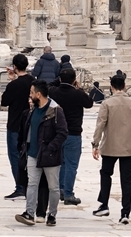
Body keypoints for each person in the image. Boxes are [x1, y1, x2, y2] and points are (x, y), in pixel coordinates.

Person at [91, 71, 131, 224]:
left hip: (110, 146)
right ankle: (125, 212)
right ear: (125, 86)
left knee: (105, 174)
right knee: (127, 180)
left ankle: (104, 204)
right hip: (129, 147)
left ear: (111, 87)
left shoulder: (107, 104)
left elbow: (100, 125)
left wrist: (95, 144)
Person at [15, 80, 68, 227]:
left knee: (53, 187)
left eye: (32, 92)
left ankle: (52, 214)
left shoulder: (55, 110)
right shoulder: (33, 110)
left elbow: (62, 133)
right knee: (32, 184)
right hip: (33, 154)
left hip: (50, 155)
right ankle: (29, 213)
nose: (30, 95)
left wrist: (50, 148)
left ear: (38, 94)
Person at [48, 68, 94, 205]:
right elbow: (90, 103)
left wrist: (59, 80)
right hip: (73, 133)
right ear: (74, 79)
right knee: (71, 164)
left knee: (60, 162)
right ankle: (68, 193)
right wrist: (77, 87)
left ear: (60, 79)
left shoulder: (54, 91)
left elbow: (48, 85)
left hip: (57, 132)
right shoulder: (78, 93)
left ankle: (61, 189)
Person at [0, 53, 34, 200]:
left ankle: (20, 187)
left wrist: (12, 81)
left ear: (14, 66)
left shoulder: (13, 85)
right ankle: (31, 186)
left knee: (15, 156)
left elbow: (4, 101)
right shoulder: (34, 82)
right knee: (31, 156)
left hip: (15, 124)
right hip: (31, 124)